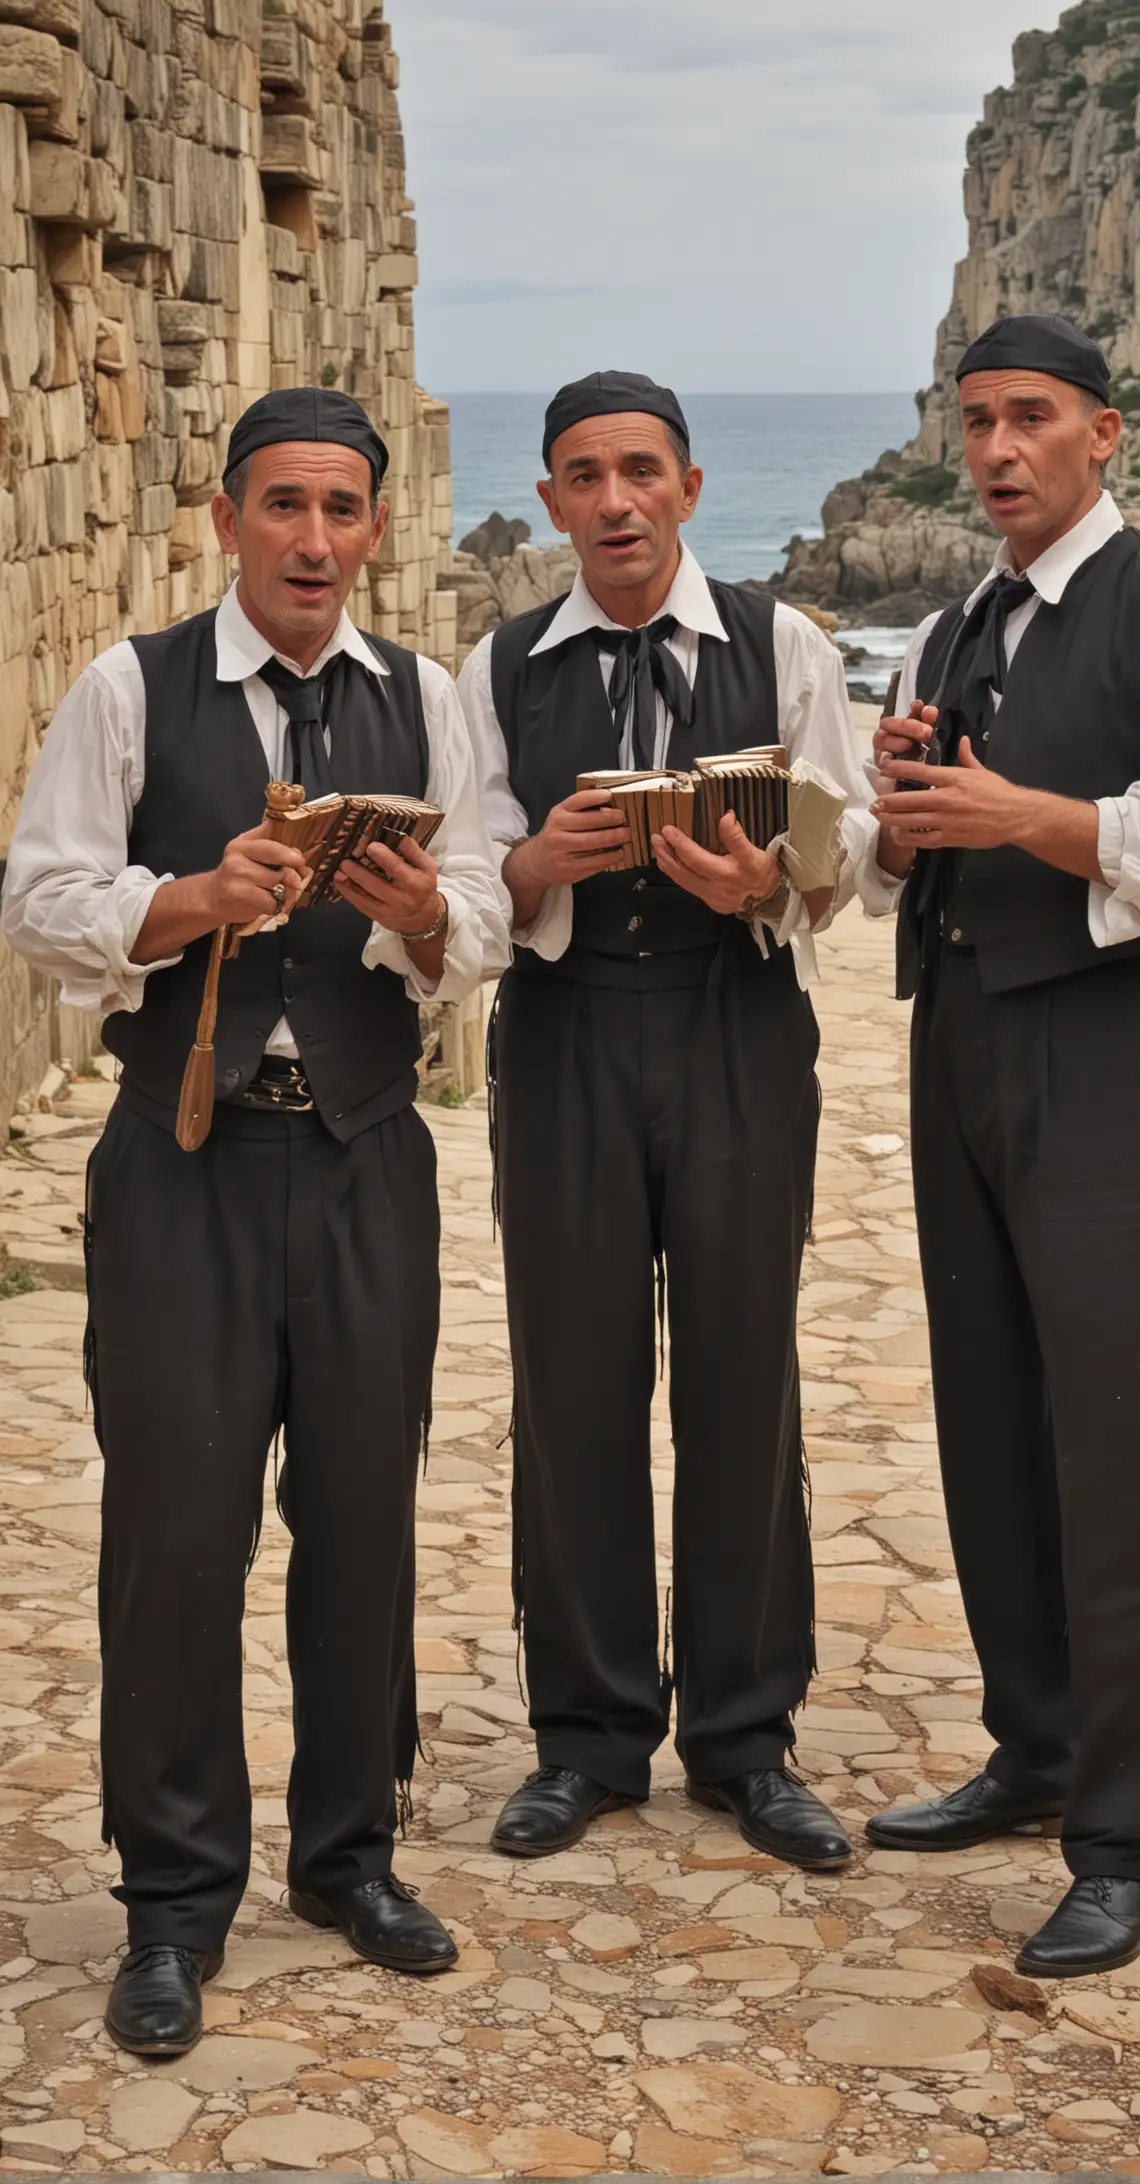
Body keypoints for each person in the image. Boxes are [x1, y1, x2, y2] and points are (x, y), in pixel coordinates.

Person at [1, 387, 511, 2055]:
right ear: (226, 520)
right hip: (183, 1162)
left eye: (342, 510)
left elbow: (492, 913)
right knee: (178, 1534)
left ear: (375, 528)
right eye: (282, 506)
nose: (312, 540)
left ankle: (347, 1859)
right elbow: (39, 893)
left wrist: (434, 912)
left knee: (361, 1523)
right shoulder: (128, 687)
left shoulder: (427, 698)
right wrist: (188, 901)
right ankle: (170, 1903)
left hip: (369, 1157)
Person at [458, 370, 903, 1868]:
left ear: (691, 491)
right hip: (569, 1033)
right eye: (583, 476)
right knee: (571, 1380)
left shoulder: (784, 645)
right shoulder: (499, 665)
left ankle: (744, 1736)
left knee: (742, 1371)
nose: (616, 501)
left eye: (641, 471)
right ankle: (585, 1738)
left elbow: (847, 864)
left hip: (734, 1024)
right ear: (553, 501)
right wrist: (539, 867)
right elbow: (465, 893)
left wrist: (764, 883)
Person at [867, 315, 1140, 1976]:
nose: (997, 449)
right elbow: (898, 867)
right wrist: (899, 804)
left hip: (1096, 1057)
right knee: (991, 1421)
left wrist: (1024, 815)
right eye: (977, 421)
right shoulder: (953, 621)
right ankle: (1034, 1749)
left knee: (1111, 1455)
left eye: (1030, 420)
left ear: (1107, 434)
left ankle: (1124, 1838)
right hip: (961, 1042)